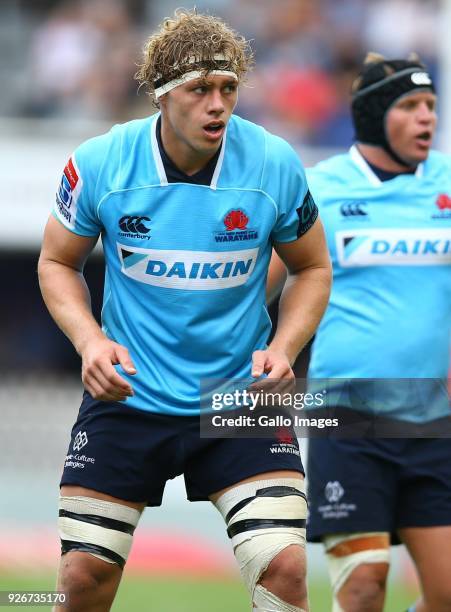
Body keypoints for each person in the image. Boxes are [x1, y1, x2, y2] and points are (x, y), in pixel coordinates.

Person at [38, 10, 332, 612]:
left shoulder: (274, 162)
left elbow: (312, 267)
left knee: (286, 568)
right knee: (79, 583)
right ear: (163, 93)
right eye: (200, 89)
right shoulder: (100, 162)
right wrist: (91, 342)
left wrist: (284, 350)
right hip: (129, 397)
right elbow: (56, 262)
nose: (217, 105)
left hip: (238, 398)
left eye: (228, 88)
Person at [269, 52, 451, 612]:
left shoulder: (446, 183)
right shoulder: (320, 188)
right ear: (375, 115)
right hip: (348, 415)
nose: (427, 118)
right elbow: (264, 290)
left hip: (432, 419)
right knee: (366, 583)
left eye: (431, 106)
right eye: (411, 106)